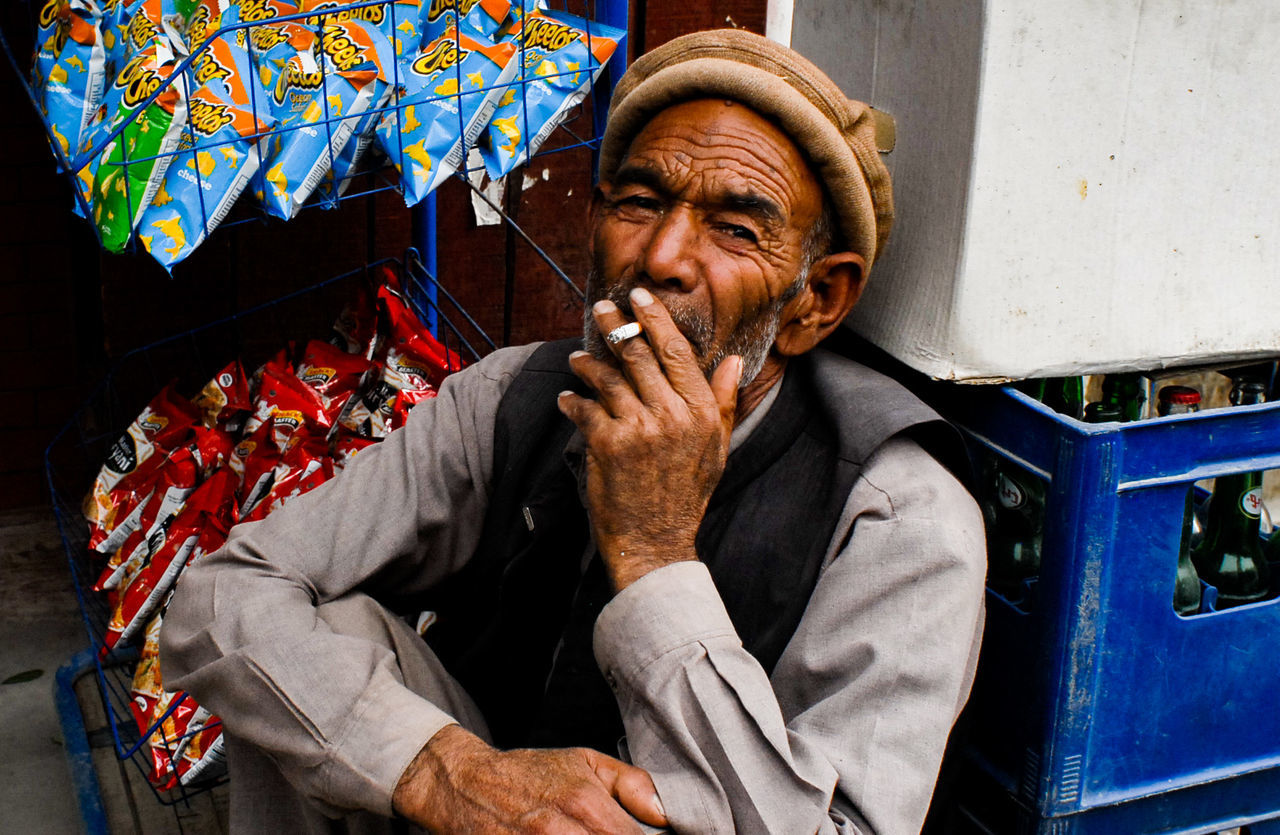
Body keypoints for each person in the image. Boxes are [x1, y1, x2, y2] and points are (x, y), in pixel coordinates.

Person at [161, 28, 986, 835]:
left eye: (736, 229)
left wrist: (655, 552)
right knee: (318, 649)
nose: (662, 255)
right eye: (639, 202)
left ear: (816, 302)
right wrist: (441, 769)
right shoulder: (512, 396)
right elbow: (224, 593)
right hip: (499, 797)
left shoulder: (900, 515)